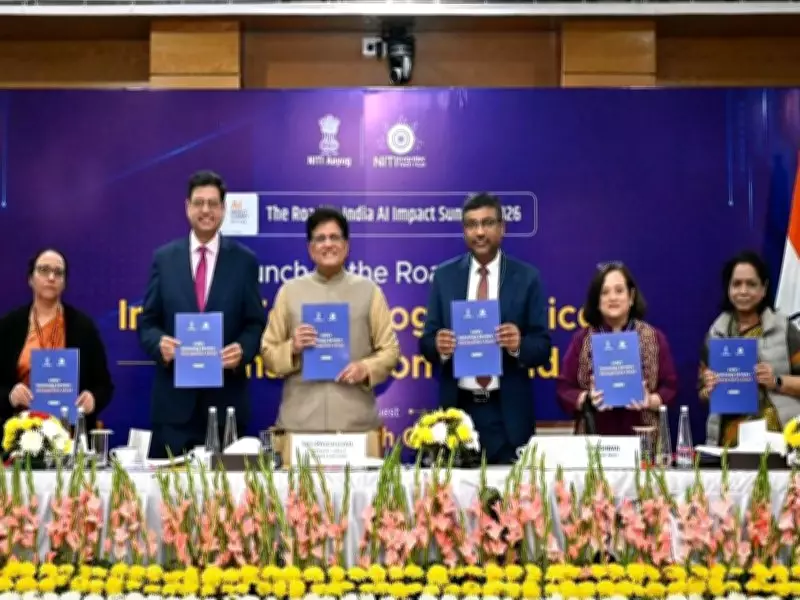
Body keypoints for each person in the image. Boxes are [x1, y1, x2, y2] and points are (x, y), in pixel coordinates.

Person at [138, 170, 266, 457]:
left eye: (212, 203)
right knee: (171, 487)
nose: (205, 210)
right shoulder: (164, 259)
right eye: (199, 203)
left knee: (227, 487)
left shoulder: (244, 261)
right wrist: (159, 344)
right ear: (187, 207)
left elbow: (255, 323)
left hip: (226, 407)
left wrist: (242, 350)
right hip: (174, 410)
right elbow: (148, 322)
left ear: (223, 209)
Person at [419, 193, 551, 464]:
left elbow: (543, 348)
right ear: (464, 231)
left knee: (512, 492)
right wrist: (438, 346)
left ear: (502, 228)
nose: (479, 232)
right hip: (458, 414)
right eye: (471, 224)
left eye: (488, 223)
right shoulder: (445, 276)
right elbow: (426, 343)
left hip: (508, 415)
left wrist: (518, 345)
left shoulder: (526, 277)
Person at [261, 207, 400, 433]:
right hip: (300, 424)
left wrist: (366, 368)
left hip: (355, 425)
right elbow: (268, 354)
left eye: (334, 237)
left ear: (346, 245)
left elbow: (390, 351)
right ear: (310, 248)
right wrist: (292, 348)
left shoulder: (369, 291)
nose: (328, 244)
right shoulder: (290, 292)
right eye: (320, 239)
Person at [556, 262, 678, 435]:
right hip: (594, 439)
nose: (612, 297)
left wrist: (650, 400)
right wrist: (588, 399)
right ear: (597, 301)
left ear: (631, 297)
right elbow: (564, 389)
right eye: (605, 292)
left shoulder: (654, 338)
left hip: (644, 436)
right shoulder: (582, 340)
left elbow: (670, 387)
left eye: (619, 291)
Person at [0, 249, 113, 433]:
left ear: (64, 283)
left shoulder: (83, 327)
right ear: (30, 278)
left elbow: (104, 385)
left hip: (69, 433)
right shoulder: (9, 326)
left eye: (58, 272)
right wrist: (9, 396)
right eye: (44, 270)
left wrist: (92, 399)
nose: (51, 277)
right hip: (18, 432)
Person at [699, 250, 800, 446]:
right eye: (737, 284)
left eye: (751, 284)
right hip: (730, 442)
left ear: (764, 289)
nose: (743, 291)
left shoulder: (785, 330)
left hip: (781, 439)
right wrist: (709, 388)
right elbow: (702, 393)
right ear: (728, 289)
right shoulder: (716, 334)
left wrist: (776, 381)